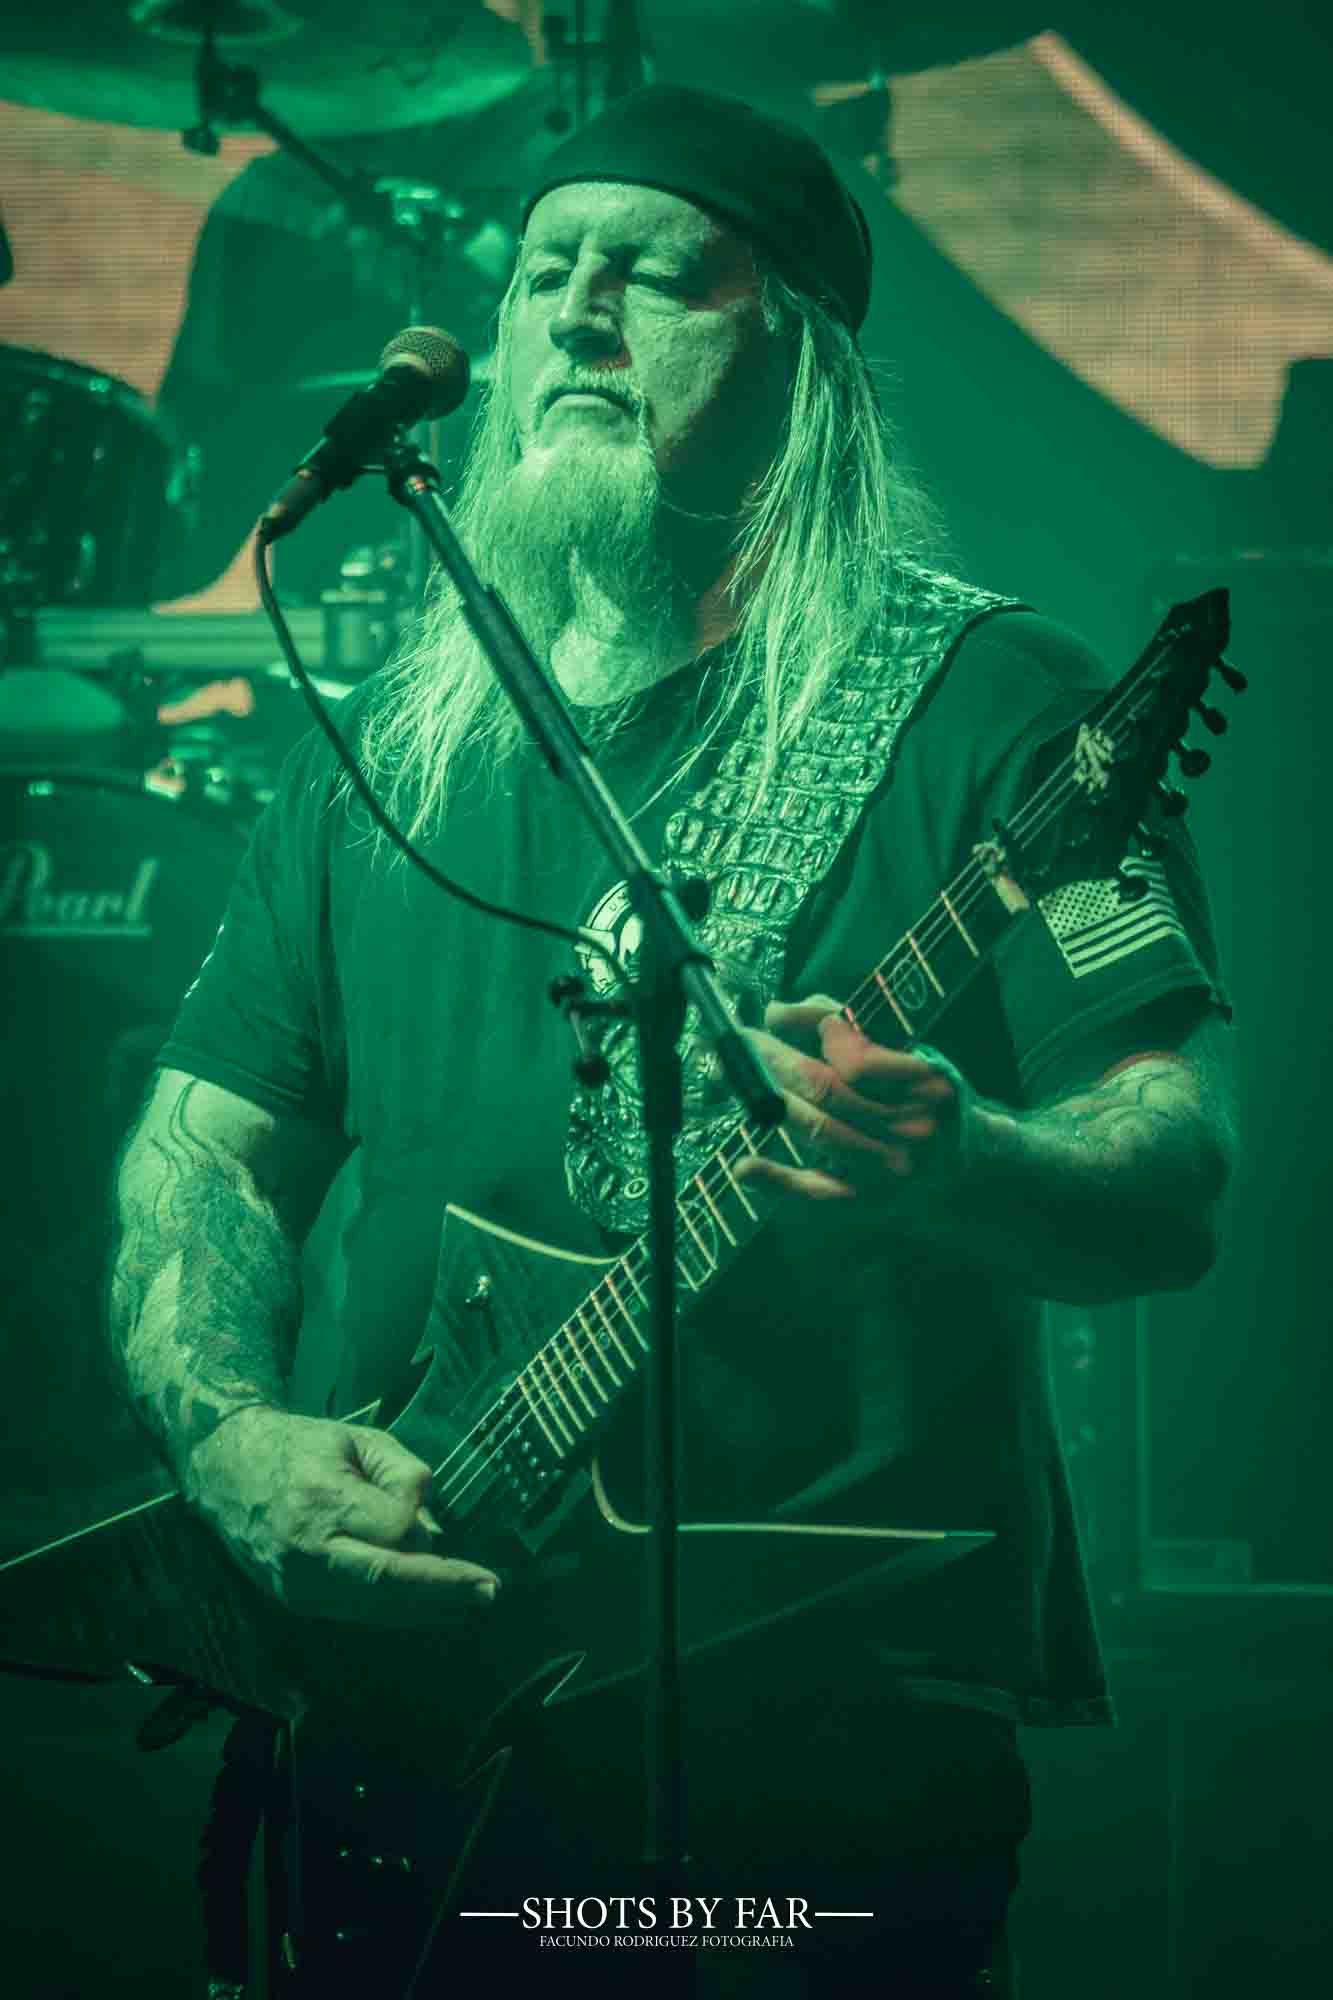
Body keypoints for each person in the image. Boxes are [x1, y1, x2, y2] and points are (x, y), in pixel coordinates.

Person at [109, 85, 1235, 1996]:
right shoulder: (388, 743)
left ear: (804, 356)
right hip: (409, 1703)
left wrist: (963, 1157)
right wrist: (230, 1439)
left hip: (822, 1729)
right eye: (544, 269)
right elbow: (202, 1152)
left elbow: (1171, 1166)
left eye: (654, 275)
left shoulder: (999, 704)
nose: (576, 313)